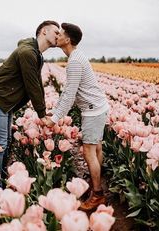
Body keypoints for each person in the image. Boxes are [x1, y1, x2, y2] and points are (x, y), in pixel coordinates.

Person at [0, 20, 60, 207]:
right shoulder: (27, 53)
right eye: (56, 32)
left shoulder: (35, 53)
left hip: (5, 98)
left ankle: (0, 179)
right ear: (44, 31)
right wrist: (41, 114)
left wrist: (44, 109)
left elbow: (37, 83)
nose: (58, 35)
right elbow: (32, 85)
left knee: (6, 141)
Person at [45, 23, 109, 210]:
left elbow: (69, 94)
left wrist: (54, 118)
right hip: (98, 107)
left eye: (61, 33)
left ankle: (97, 194)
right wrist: (56, 111)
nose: (57, 36)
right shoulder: (77, 56)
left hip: (93, 110)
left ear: (68, 40)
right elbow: (68, 93)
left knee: (89, 151)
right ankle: (95, 183)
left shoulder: (74, 61)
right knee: (96, 148)